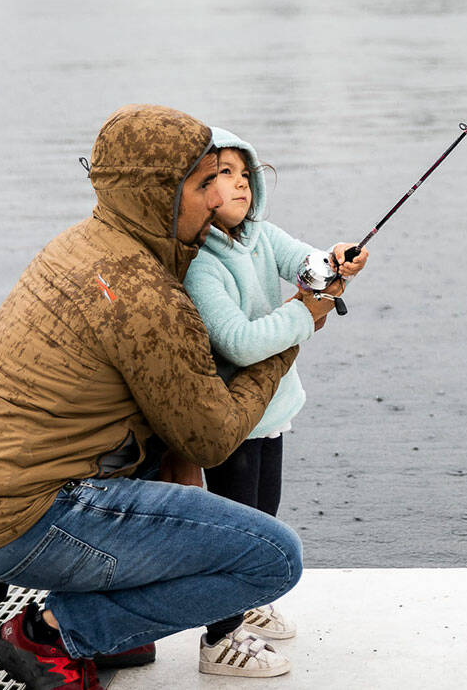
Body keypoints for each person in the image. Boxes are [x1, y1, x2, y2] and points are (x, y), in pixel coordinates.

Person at [0, 105, 343, 690]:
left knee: (164, 449)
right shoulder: (144, 293)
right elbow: (213, 437)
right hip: (29, 523)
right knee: (271, 558)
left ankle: (104, 633)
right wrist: (299, 323)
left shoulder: (82, 244)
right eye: (202, 184)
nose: (216, 199)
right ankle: (52, 632)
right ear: (157, 196)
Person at [182, 128, 368, 670]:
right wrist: (306, 314)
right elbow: (237, 342)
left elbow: (308, 266)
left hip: (274, 411)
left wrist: (336, 263)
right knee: (236, 530)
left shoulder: (263, 236)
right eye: (222, 177)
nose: (240, 186)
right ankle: (218, 639)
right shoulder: (200, 264)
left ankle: (246, 601)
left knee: (265, 517)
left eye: (245, 176)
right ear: (194, 190)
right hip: (233, 417)